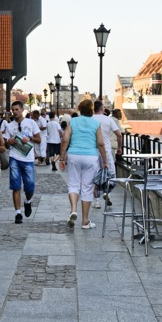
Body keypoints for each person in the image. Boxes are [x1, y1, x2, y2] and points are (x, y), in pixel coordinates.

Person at [58, 98, 108, 230]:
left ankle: (73, 210)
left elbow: (65, 140)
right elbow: (101, 144)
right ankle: (85, 221)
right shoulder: (96, 124)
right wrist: (105, 162)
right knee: (87, 187)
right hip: (91, 157)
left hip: (74, 155)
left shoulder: (73, 121)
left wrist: (62, 158)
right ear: (91, 110)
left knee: (73, 184)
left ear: (80, 109)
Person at [5, 101, 41, 223]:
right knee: (16, 186)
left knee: (30, 187)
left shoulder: (31, 123)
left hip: (28, 158)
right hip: (14, 157)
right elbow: (5, 145)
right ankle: (18, 213)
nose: (14, 112)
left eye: (16, 109)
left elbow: (39, 139)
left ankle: (27, 201)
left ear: (21, 110)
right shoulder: (9, 126)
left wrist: (29, 138)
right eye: (13, 110)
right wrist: (8, 141)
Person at [92, 100, 122, 207]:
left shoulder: (90, 119)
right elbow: (119, 134)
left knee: (95, 175)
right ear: (102, 109)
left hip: (93, 151)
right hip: (107, 150)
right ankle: (107, 193)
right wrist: (119, 148)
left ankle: (96, 201)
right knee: (111, 174)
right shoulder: (108, 120)